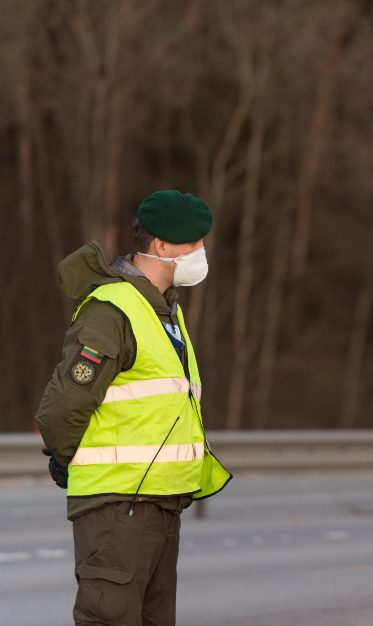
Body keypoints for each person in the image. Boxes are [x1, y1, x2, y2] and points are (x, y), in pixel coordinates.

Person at [35, 190, 232, 625]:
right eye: (194, 244)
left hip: (159, 504)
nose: (202, 253)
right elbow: (63, 404)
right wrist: (70, 459)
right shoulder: (113, 311)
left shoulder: (165, 313)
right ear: (161, 246)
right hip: (118, 507)